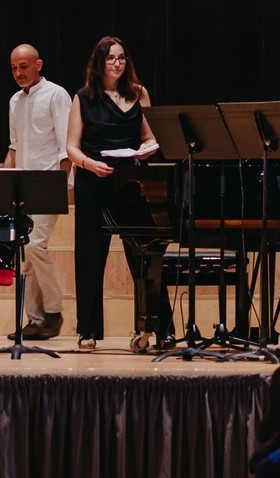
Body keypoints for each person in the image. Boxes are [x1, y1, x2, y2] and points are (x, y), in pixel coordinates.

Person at [63, 35, 169, 351]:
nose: (117, 63)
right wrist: (89, 164)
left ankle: (161, 328)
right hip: (93, 180)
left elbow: (150, 137)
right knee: (91, 254)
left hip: (130, 181)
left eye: (122, 58)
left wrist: (147, 149)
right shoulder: (84, 97)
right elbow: (71, 146)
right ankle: (88, 330)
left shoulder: (138, 93)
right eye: (111, 58)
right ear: (100, 62)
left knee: (145, 253)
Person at [3, 42, 71, 341]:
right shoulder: (14, 101)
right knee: (25, 253)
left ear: (38, 65)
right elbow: (14, 147)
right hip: (22, 188)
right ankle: (35, 319)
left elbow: (66, 145)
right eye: (14, 68)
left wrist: (60, 187)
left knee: (34, 246)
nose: (19, 73)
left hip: (48, 185)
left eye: (24, 67)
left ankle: (53, 312)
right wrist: (1, 183)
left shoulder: (56, 94)